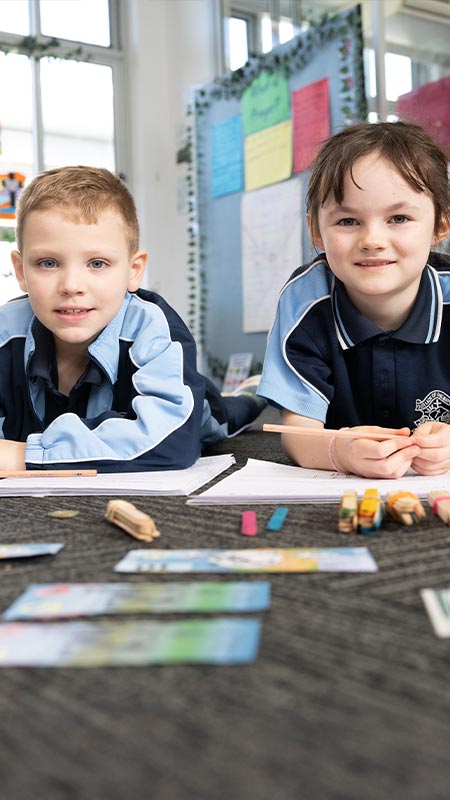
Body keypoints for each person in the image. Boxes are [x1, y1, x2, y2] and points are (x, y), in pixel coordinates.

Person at [1, 165, 265, 472]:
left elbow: (172, 442)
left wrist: (25, 455)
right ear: (21, 271)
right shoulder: (7, 329)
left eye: (97, 263)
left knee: (230, 412)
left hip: (196, 402)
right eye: (48, 263)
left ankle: (250, 392)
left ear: (134, 270)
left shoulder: (152, 326)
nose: (71, 286)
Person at [257, 121, 450, 478]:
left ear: (440, 224)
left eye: (399, 217)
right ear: (316, 229)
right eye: (347, 221)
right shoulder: (305, 302)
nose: (373, 239)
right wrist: (337, 451)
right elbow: (297, 432)